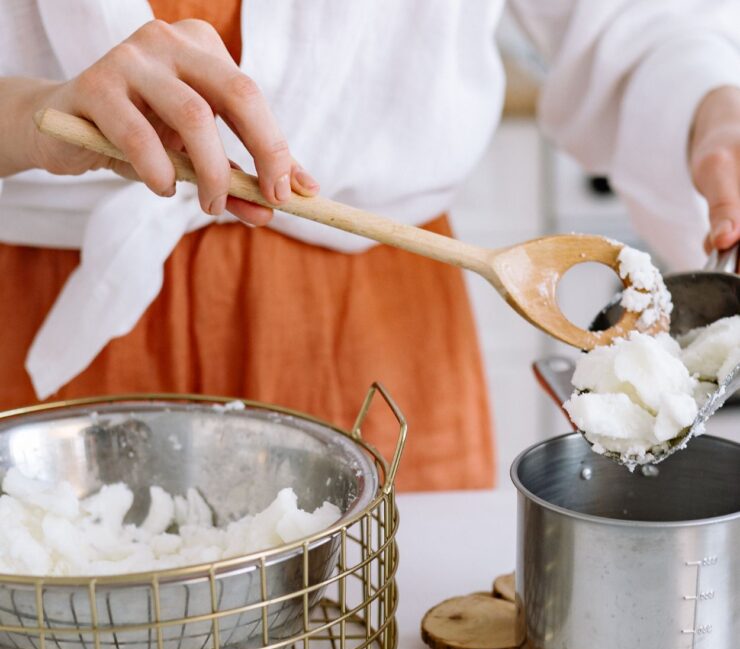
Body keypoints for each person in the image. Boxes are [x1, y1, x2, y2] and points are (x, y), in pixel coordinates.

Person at [0, 0, 738, 490]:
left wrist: (716, 103)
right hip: (42, 328)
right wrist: (31, 113)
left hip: (370, 338)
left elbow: (634, 20)